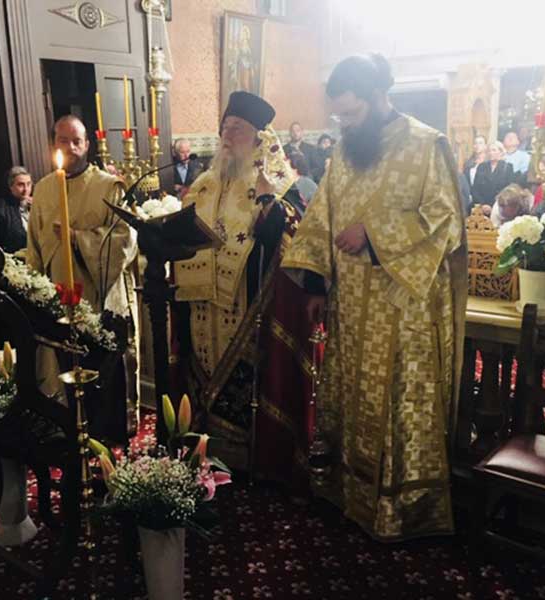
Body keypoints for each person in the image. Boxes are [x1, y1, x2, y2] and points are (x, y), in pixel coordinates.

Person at [281, 54, 467, 541]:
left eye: (351, 113)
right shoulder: (346, 152)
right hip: (350, 305)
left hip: (402, 309)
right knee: (351, 398)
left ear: (379, 96)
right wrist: (317, 285)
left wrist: (373, 232)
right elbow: (321, 216)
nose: (344, 124)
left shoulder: (426, 144)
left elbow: (445, 220)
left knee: (395, 404)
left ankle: (400, 510)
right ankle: (349, 495)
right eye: (338, 115)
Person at [173, 91, 311, 490]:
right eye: (225, 128)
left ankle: (246, 458)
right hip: (201, 303)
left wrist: (268, 201)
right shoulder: (203, 184)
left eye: (237, 129)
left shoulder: (277, 183)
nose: (228, 136)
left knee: (242, 380)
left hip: (247, 305)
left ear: (258, 138)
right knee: (200, 371)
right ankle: (203, 447)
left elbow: (288, 236)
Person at [27, 114, 138, 443]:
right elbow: (34, 246)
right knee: (60, 363)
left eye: (77, 141)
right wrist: (34, 291)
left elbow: (125, 241)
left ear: (88, 144)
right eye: (63, 140)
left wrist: (78, 238)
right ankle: (64, 426)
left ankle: (106, 434)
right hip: (57, 296)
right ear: (53, 144)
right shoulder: (43, 189)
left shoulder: (109, 186)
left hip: (98, 296)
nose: (71, 147)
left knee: (102, 371)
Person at [0, 166, 32, 253]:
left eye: (28, 184)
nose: (26, 189)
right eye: (21, 185)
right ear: (11, 186)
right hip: (13, 257)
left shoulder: (38, 205)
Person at [471, 141, 514, 213]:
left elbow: (507, 190)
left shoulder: (508, 167)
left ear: (501, 152)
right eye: (489, 151)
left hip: (498, 207)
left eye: (494, 150)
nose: (491, 153)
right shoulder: (482, 166)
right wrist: (482, 204)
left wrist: (492, 205)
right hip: (480, 206)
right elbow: (475, 188)